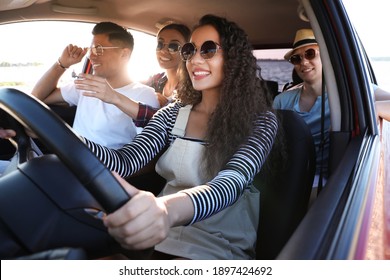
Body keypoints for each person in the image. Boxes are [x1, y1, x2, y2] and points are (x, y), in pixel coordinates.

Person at [79, 14, 278, 259]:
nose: (194, 60)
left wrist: (167, 211)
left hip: (215, 247)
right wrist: (64, 138)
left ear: (234, 59)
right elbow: (125, 161)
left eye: (207, 50)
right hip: (160, 237)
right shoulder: (172, 114)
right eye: (189, 50)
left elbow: (231, 182)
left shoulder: (260, 121)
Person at [273, 28, 390, 192]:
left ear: (326, 56)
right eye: (296, 58)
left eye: (310, 53)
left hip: (325, 183)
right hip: (288, 175)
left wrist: (370, 108)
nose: (303, 62)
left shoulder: (351, 94)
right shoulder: (282, 100)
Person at [31, 21, 159, 149]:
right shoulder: (85, 85)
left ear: (124, 54)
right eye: (91, 50)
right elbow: (37, 97)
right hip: (70, 160)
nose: (91, 56)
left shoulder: (143, 95)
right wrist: (61, 64)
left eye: (98, 49)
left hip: (106, 167)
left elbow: (149, 150)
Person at [76, 23, 191, 128]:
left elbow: (175, 124)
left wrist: (164, 106)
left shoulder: (190, 89)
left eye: (173, 46)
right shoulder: (156, 80)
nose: (164, 51)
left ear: (187, 51)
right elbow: (131, 87)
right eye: (160, 44)